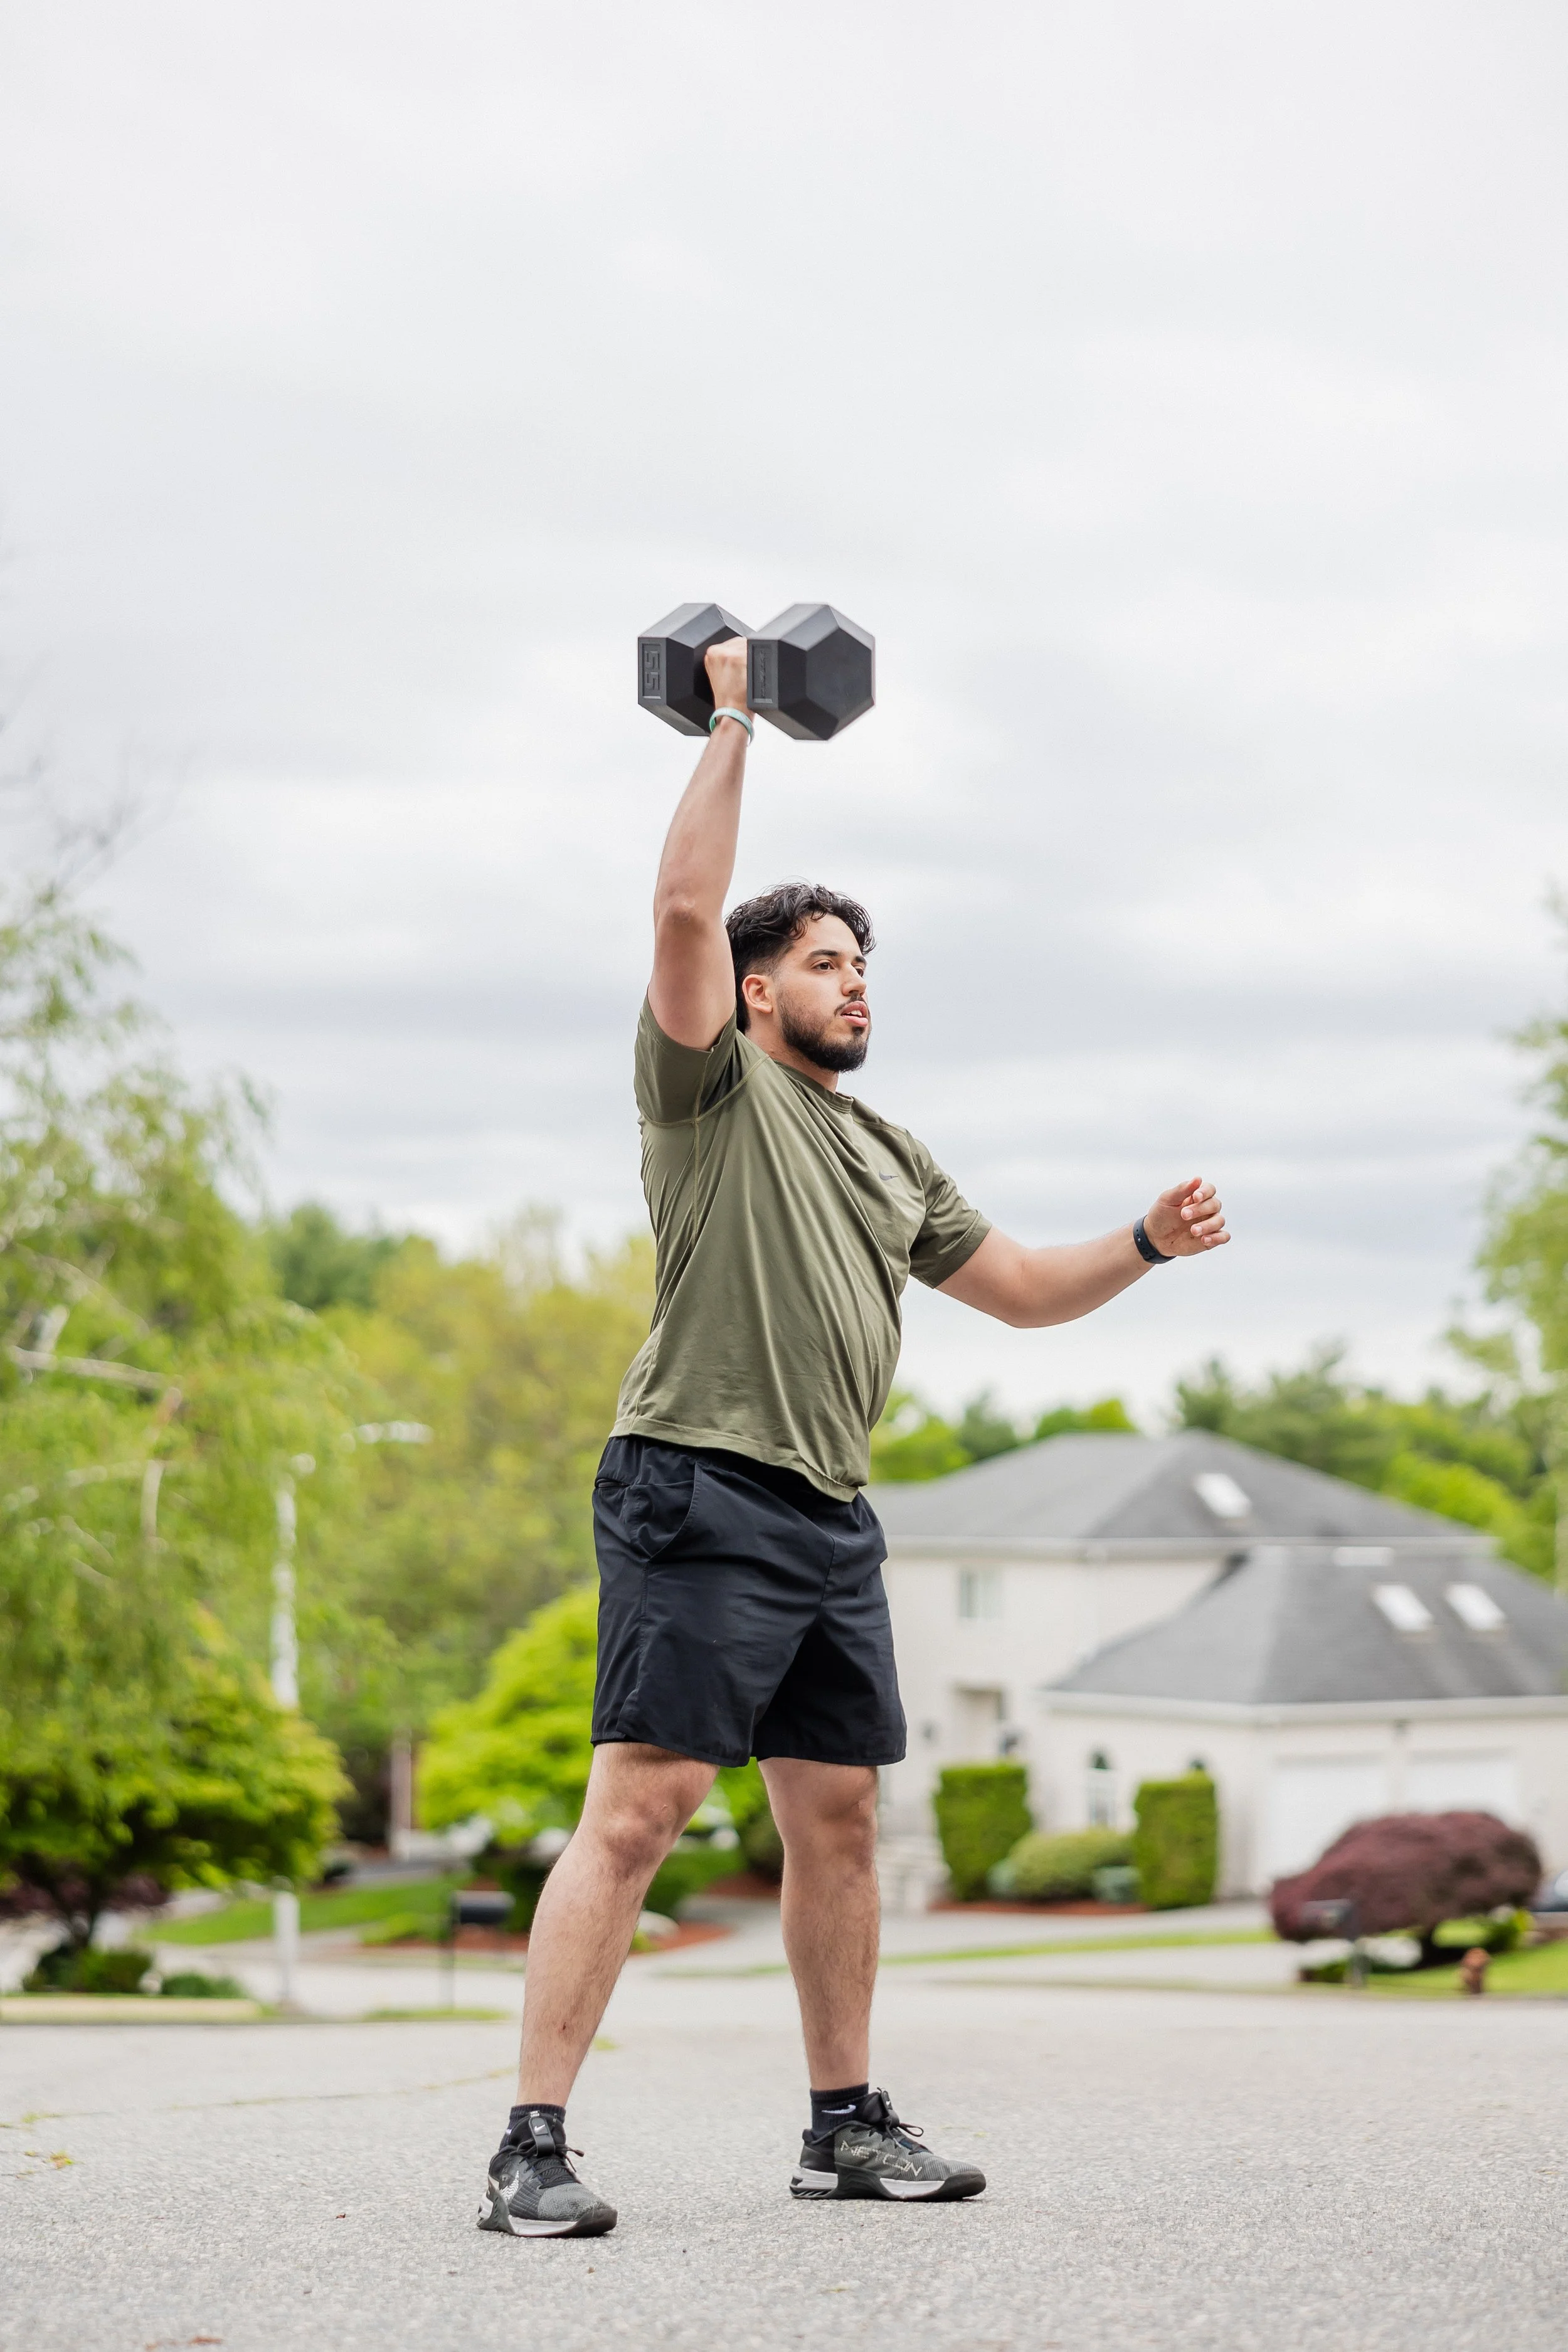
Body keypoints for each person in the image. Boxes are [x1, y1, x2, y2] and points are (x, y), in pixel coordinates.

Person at [479, 638, 1230, 2238]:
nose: (854, 985)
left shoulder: (890, 1151)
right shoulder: (707, 1097)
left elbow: (1022, 1291)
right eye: (825, 963)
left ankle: (839, 2126)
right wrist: (735, 712)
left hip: (829, 1515)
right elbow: (684, 912)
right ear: (759, 994)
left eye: (863, 966)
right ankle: (529, 2147)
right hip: (694, 1480)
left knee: (836, 1819)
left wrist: (1144, 1244)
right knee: (643, 1808)